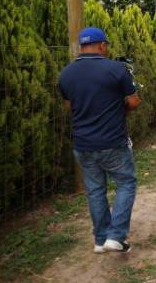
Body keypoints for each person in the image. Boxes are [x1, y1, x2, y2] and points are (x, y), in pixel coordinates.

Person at [58, 27, 141, 254]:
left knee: (95, 191)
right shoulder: (116, 69)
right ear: (103, 45)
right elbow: (133, 102)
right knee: (126, 183)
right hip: (113, 142)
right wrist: (117, 111)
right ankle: (116, 236)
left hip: (83, 144)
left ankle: (100, 239)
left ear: (81, 47)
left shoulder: (66, 74)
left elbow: (70, 107)